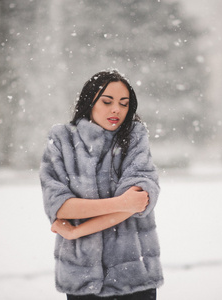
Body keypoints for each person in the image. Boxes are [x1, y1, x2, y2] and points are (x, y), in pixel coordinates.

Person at [39, 69, 163, 299]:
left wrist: (78, 230)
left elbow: (137, 203)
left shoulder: (135, 137)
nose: (116, 109)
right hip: (80, 278)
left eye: (124, 103)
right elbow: (59, 206)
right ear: (89, 102)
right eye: (107, 101)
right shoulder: (61, 140)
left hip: (134, 278)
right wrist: (120, 202)